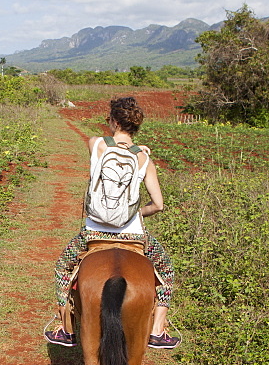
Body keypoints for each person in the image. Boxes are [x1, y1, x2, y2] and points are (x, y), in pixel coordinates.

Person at [45, 96, 180, 349]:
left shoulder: (95, 144)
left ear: (115, 121)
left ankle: (66, 328)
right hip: (134, 236)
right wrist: (138, 213)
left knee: (63, 268)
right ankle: (158, 330)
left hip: (93, 232)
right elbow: (159, 205)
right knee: (166, 272)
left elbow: (109, 147)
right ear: (135, 126)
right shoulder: (144, 159)